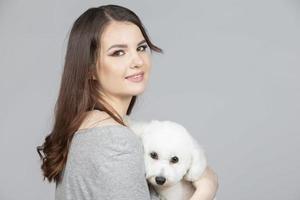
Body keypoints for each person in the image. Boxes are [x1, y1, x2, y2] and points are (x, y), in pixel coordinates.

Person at [37, 4, 218, 200]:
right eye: (118, 52)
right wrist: (207, 188)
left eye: (141, 48)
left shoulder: (83, 127)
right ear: (89, 68)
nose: (137, 61)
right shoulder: (116, 142)